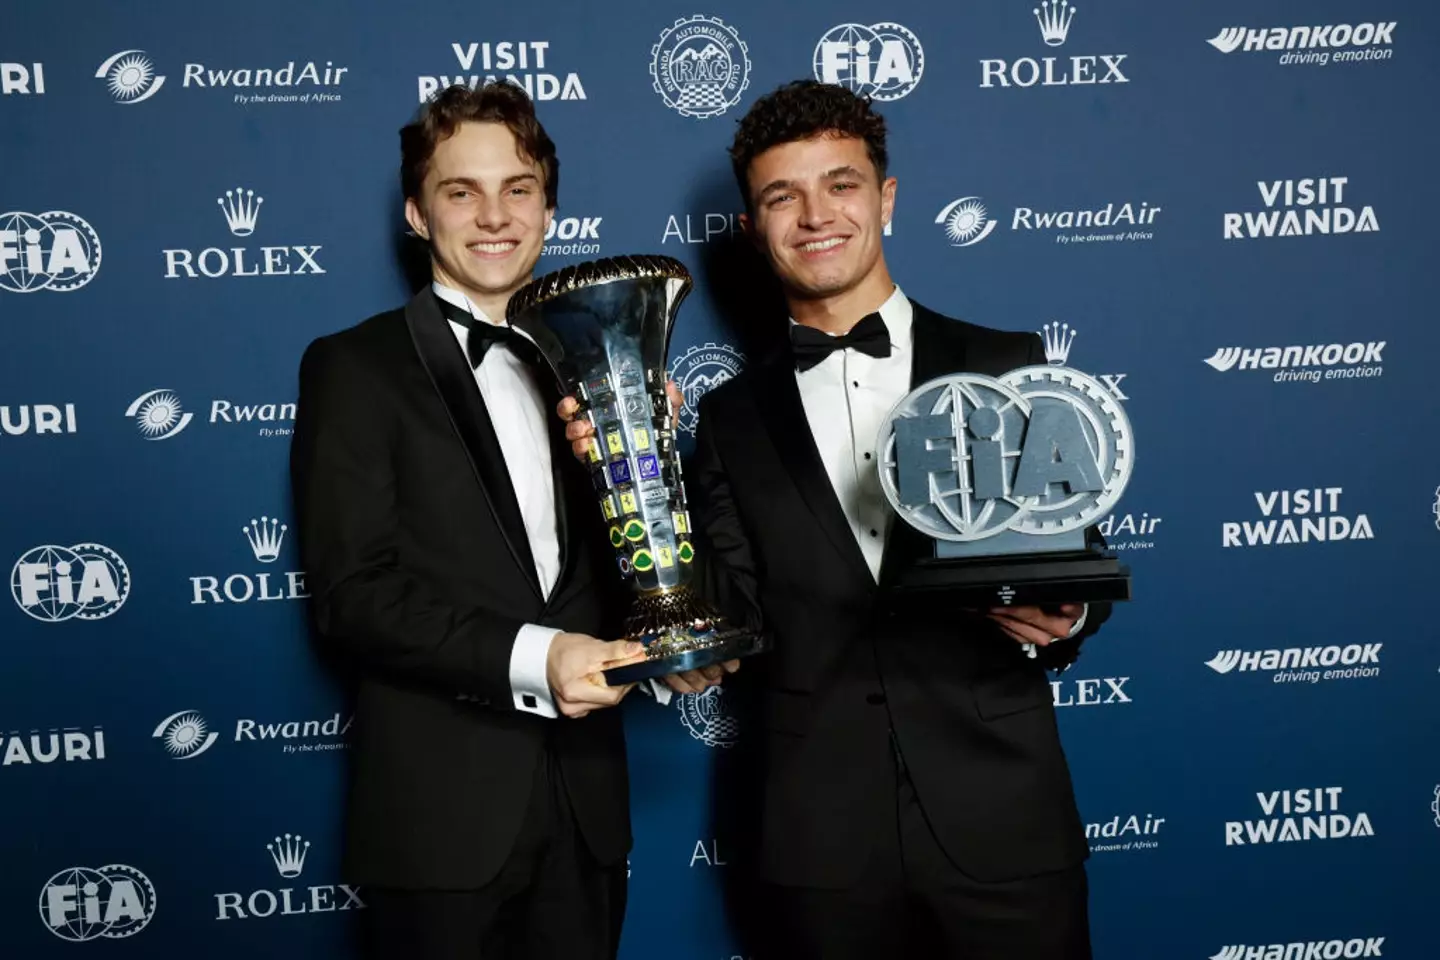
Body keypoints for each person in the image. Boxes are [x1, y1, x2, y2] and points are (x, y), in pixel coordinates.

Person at [563, 80, 1111, 958]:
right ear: (753, 227)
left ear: (886, 199)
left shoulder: (1004, 362)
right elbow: (727, 613)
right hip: (818, 841)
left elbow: (1076, 556)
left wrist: (1067, 613)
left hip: (1002, 823)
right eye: (784, 196)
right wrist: (633, 467)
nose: (816, 215)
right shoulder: (733, 420)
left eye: (841, 184)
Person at [290, 81, 641, 960]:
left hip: (588, 814)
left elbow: (628, 570)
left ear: (550, 210)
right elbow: (354, 596)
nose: (494, 216)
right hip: (439, 823)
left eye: (518, 189)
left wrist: (678, 641)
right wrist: (539, 656)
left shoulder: (599, 364)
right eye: (461, 191)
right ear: (417, 213)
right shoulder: (354, 367)